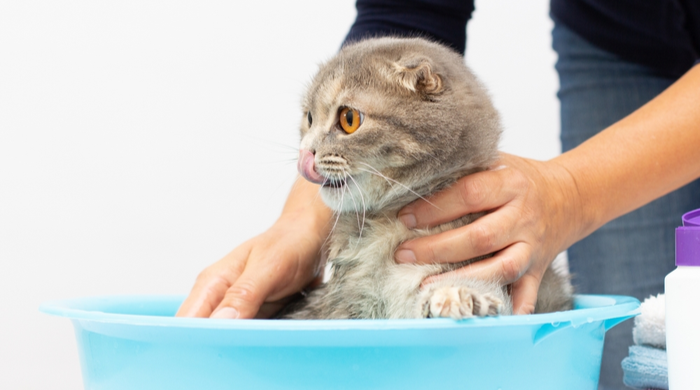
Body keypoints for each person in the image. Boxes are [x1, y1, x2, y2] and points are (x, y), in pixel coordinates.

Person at [177, 1, 700, 388]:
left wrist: (572, 191)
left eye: (345, 121)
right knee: (640, 360)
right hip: (619, 27)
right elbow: (410, 9)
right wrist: (301, 223)